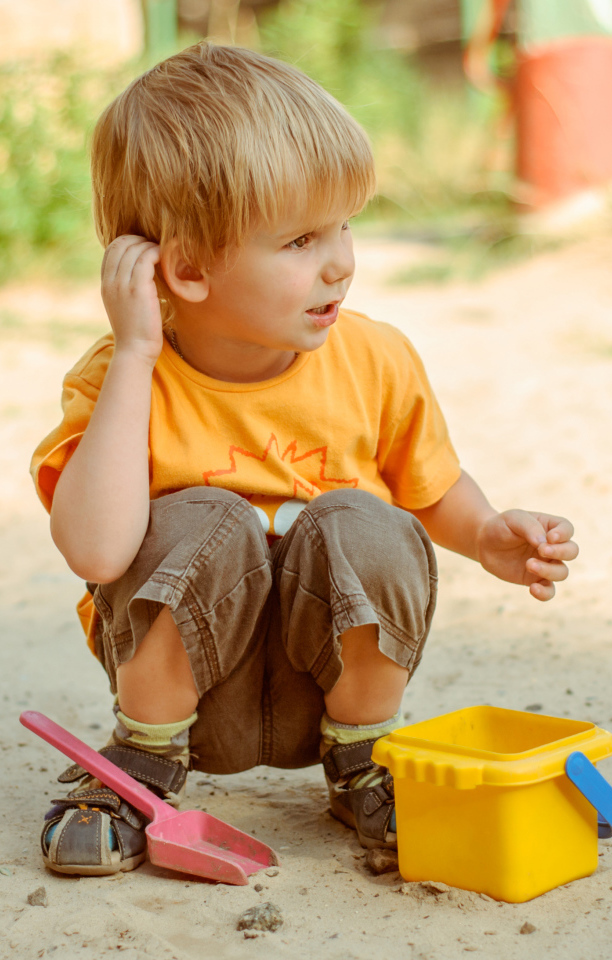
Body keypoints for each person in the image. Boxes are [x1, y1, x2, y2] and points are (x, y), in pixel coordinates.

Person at [30, 42, 578, 876]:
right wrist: (138, 351)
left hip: (325, 693)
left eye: (346, 224)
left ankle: (364, 760)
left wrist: (487, 532)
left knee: (365, 518)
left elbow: (430, 487)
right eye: (299, 240)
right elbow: (98, 553)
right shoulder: (118, 381)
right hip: (188, 701)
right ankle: (138, 765)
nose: (342, 261)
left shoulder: (376, 359)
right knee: (204, 515)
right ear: (185, 268)